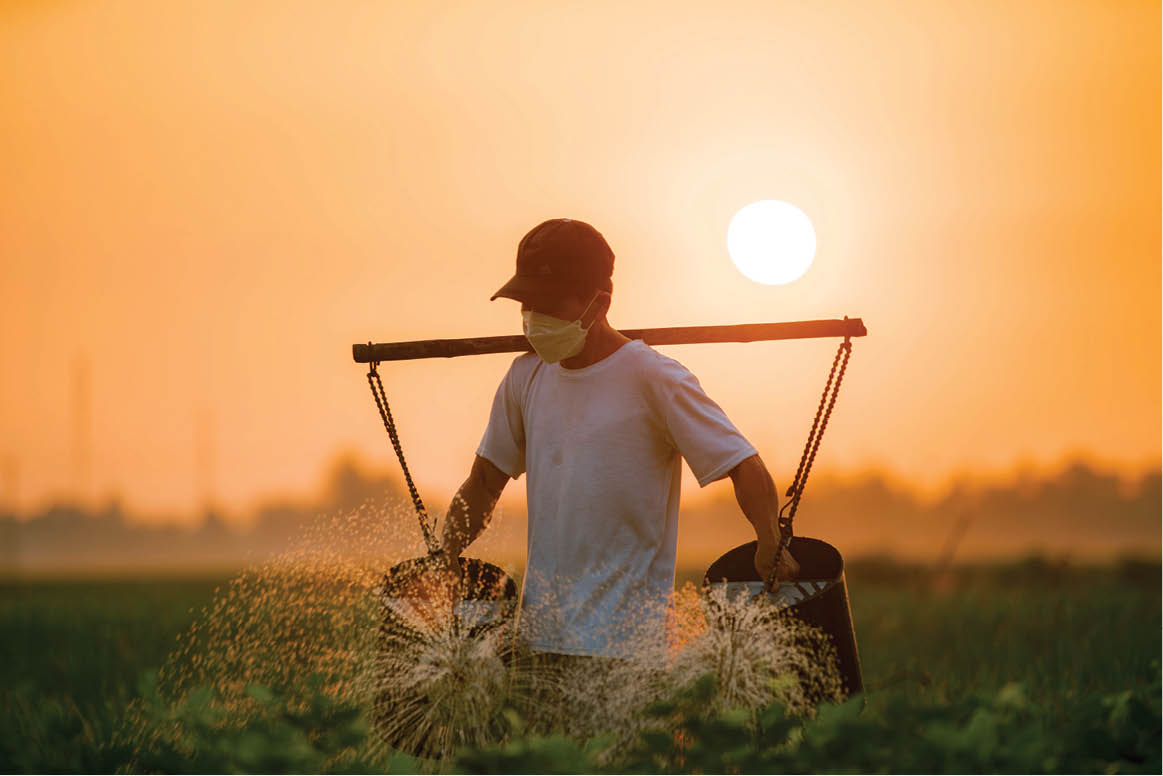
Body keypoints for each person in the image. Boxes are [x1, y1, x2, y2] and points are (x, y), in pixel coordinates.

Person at [429, 217, 799, 659]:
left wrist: (768, 540)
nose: (533, 320)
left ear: (598, 305)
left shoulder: (655, 379)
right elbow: (484, 482)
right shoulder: (525, 377)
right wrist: (446, 552)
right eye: (527, 305)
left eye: (549, 306)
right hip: (539, 646)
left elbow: (742, 463)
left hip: (628, 650)